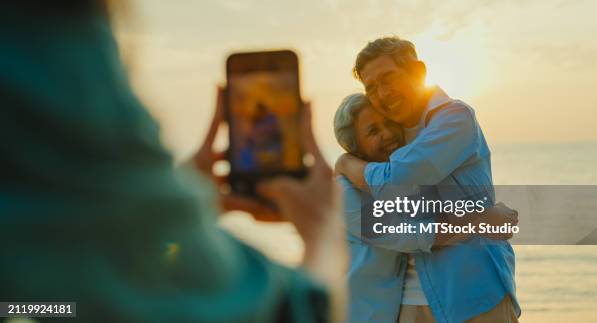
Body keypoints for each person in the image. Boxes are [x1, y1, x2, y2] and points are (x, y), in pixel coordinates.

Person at [1, 1, 346, 322]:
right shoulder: (44, 35)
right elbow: (293, 311)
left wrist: (163, 215)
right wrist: (324, 230)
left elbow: (59, 285)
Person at [335, 37, 520, 322]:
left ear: (418, 72)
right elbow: (394, 229)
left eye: (388, 78)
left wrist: (347, 163)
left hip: (473, 296)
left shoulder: (454, 120)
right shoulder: (394, 141)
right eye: (371, 87)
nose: (382, 94)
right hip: (405, 305)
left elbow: (396, 182)